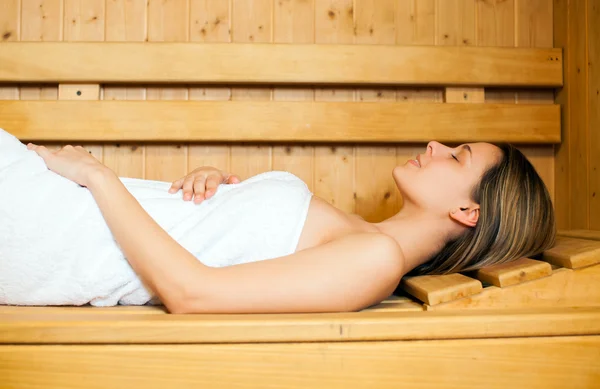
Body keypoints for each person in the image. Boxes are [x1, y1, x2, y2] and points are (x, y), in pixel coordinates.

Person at [0, 127, 555, 313]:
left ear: (468, 211)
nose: (434, 145)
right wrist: (212, 191)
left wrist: (99, 176)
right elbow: (215, 245)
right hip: (58, 205)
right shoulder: (359, 235)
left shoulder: (376, 259)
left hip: (56, 232)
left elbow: (194, 292)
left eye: (456, 156)